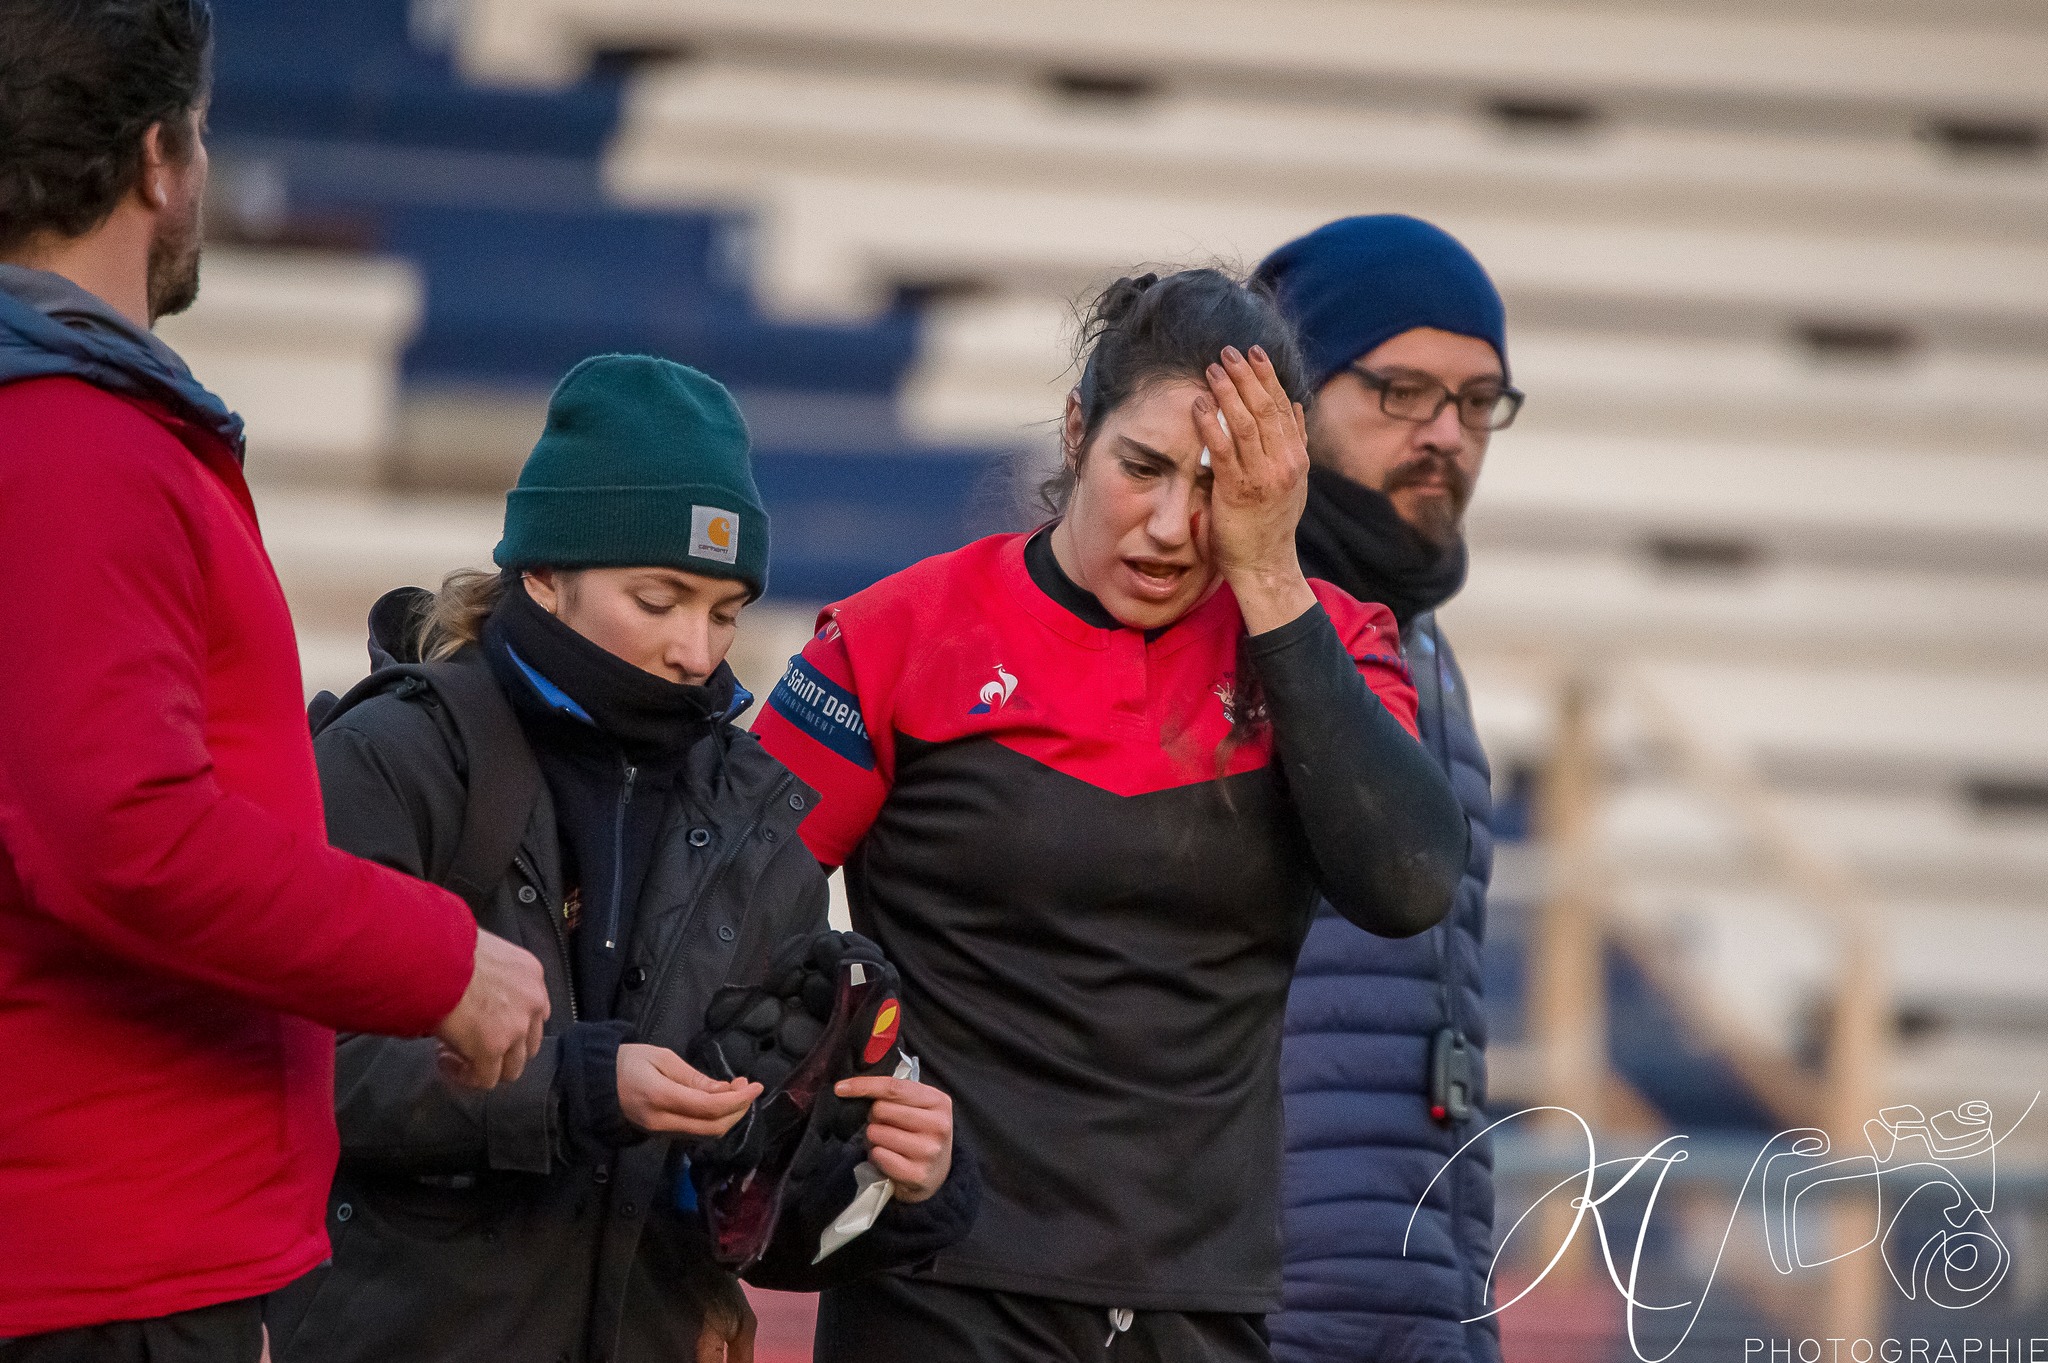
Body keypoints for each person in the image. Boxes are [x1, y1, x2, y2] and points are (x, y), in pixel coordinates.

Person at [752, 268, 1469, 1363]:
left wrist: (1271, 575)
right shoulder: (894, 633)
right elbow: (721, 921)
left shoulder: (1328, 637)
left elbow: (1408, 883)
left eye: (1218, 483)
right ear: (1076, 431)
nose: (1175, 525)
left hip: (1205, 1303)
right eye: (1140, 468)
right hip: (938, 1289)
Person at [0, 1, 552, 1356]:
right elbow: (122, 828)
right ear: (159, 161)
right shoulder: (72, 437)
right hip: (106, 1259)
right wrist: (438, 960)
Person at [268, 355, 977, 1363]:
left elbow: (752, 1218)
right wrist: (575, 1085)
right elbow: (298, 1069)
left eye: (725, 611)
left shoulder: (754, 811)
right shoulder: (394, 758)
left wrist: (896, 1177)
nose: (697, 649)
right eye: (659, 599)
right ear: (547, 572)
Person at [1255, 214, 1522, 1363]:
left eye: (1476, 402)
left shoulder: (1420, 644)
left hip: (1416, 1293)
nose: (1444, 436)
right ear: (1292, 395)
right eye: (1401, 391)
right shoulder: (1224, 618)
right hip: (1259, 1301)